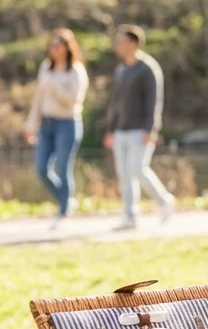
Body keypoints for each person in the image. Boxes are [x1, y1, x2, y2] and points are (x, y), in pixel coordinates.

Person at [103, 25, 174, 230]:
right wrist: (110, 129)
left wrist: (150, 129)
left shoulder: (148, 68)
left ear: (134, 43)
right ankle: (130, 215)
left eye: (122, 41)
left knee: (138, 168)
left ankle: (164, 200)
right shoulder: (121, 69)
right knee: (124, 174)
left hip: (139, 130)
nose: (118, 46)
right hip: (120, 130)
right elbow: (115, 102)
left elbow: (154, 101)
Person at [24, 28, 89, 230]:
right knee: (42, 168)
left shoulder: (76, 71)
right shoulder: (46, 68)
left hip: (67, 123)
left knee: (62, 167)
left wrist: (55, 87)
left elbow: (74, 101)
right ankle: (66, 198)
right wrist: (31, 125)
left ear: (67, 48)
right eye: (51, 45)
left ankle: (63, 210)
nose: (54, 49)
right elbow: (38, 99)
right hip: (47, 123)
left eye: (58, 45)